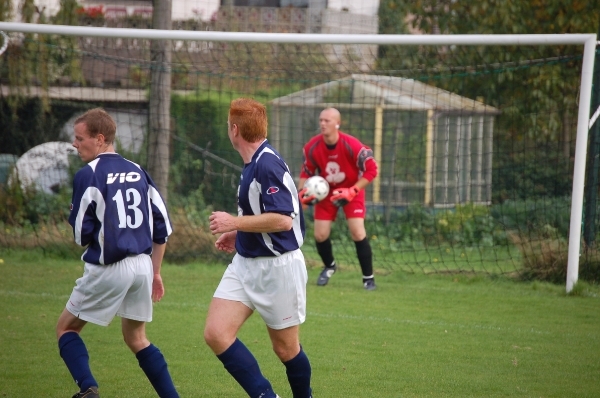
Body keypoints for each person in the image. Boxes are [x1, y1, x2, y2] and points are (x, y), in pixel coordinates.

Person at [57, 108, 179, 398]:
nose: (75, 144)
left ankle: (88, 389)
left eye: (79, 138)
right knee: (136, 337)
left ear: (99, 139)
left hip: (111, 267)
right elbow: (162, 227)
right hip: (142, 267)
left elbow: (81, 237)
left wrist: (73, 220)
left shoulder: (88, 174)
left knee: (66, 329)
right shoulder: (138, 170)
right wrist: (156, 272)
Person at [206, 98, 313, 398]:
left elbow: (281, 220)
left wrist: (234, 223)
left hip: (278, 269)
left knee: (286, 349)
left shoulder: (267, 163)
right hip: (245, 263)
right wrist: (240, 236)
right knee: (216, 333)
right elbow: (260, 212)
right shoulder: (252, 162)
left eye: (229, 125)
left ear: (235, 130)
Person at [299, 107, 379, 290]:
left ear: (337, 123)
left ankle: (368, 278)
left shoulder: (352, 145)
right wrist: (300, 196)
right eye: (321, 120)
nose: (322, 124)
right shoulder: (312, 146)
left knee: (357, 232)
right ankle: (329, 266)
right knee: (320, 234)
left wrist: (352, 191)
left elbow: (372, 170)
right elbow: (307, 171)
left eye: (327, 120)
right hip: (325, 193)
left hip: (351, 190)